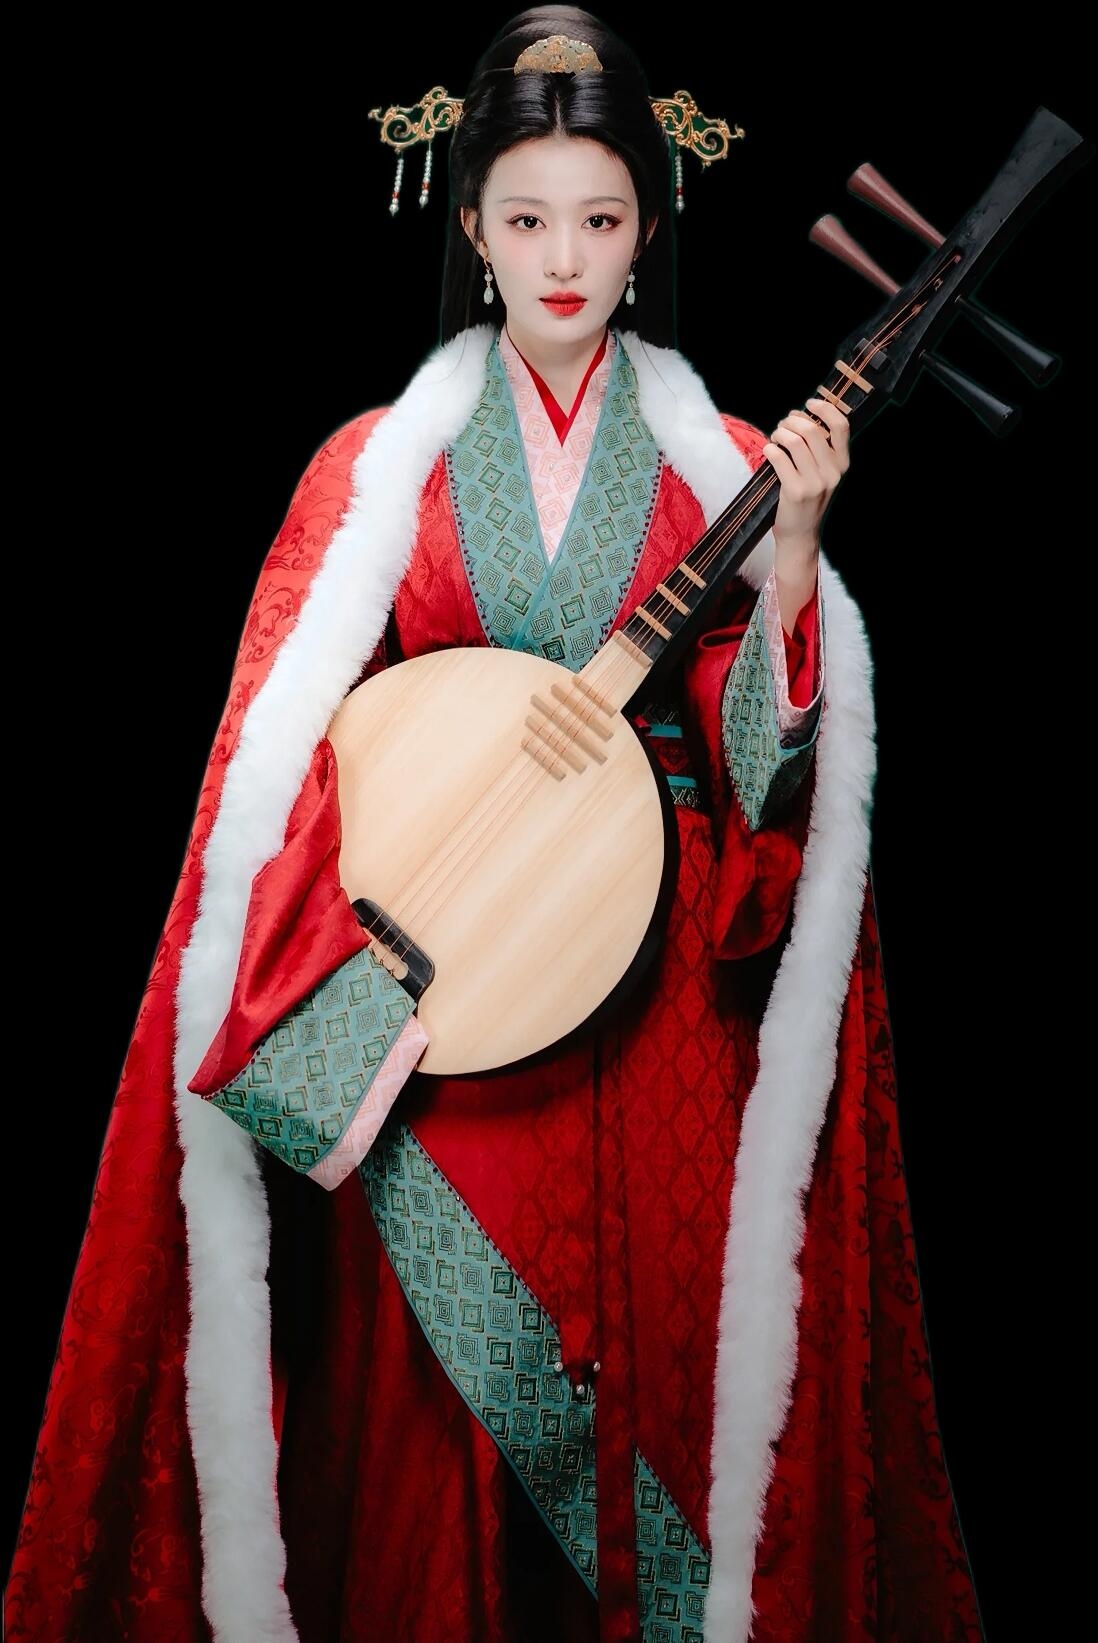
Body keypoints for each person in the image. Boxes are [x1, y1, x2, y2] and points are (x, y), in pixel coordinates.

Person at [6, 8, 988, 1641]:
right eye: (526, 218)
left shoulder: (721, 462)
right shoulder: (374, 468)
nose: (564, 258)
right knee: (421, 1444)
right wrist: (369, 973)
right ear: (469, 226)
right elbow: (275, 777)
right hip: (446, 1010)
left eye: (600, 218)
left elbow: (766, 769)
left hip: (658, 991)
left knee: (677, 1401)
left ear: (648, 228)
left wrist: (793, 556)